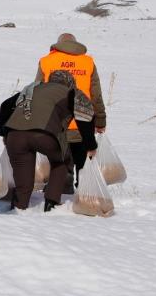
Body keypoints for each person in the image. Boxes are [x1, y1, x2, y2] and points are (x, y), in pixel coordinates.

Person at [0, 70, 96, 211]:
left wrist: (4, 133)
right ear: (70, 83)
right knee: (62, 162)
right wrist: (90, 145)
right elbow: (86, 117)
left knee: (23, 173)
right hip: (45, 135)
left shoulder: (32, 88)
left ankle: (19, 206)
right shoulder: (72, 92)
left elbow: (5, 105)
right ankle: (51, 202)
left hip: (15, 136)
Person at [36, 33, 107, 185]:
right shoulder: (88, 62)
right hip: (83, 123)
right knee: (83, 165)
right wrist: (100, 120)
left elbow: (37, 91)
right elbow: (96, 95)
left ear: (58, 44)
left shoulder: (46, 61)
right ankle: (84, 194)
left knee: (60, 163)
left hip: (56, 123)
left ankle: (61, 194)